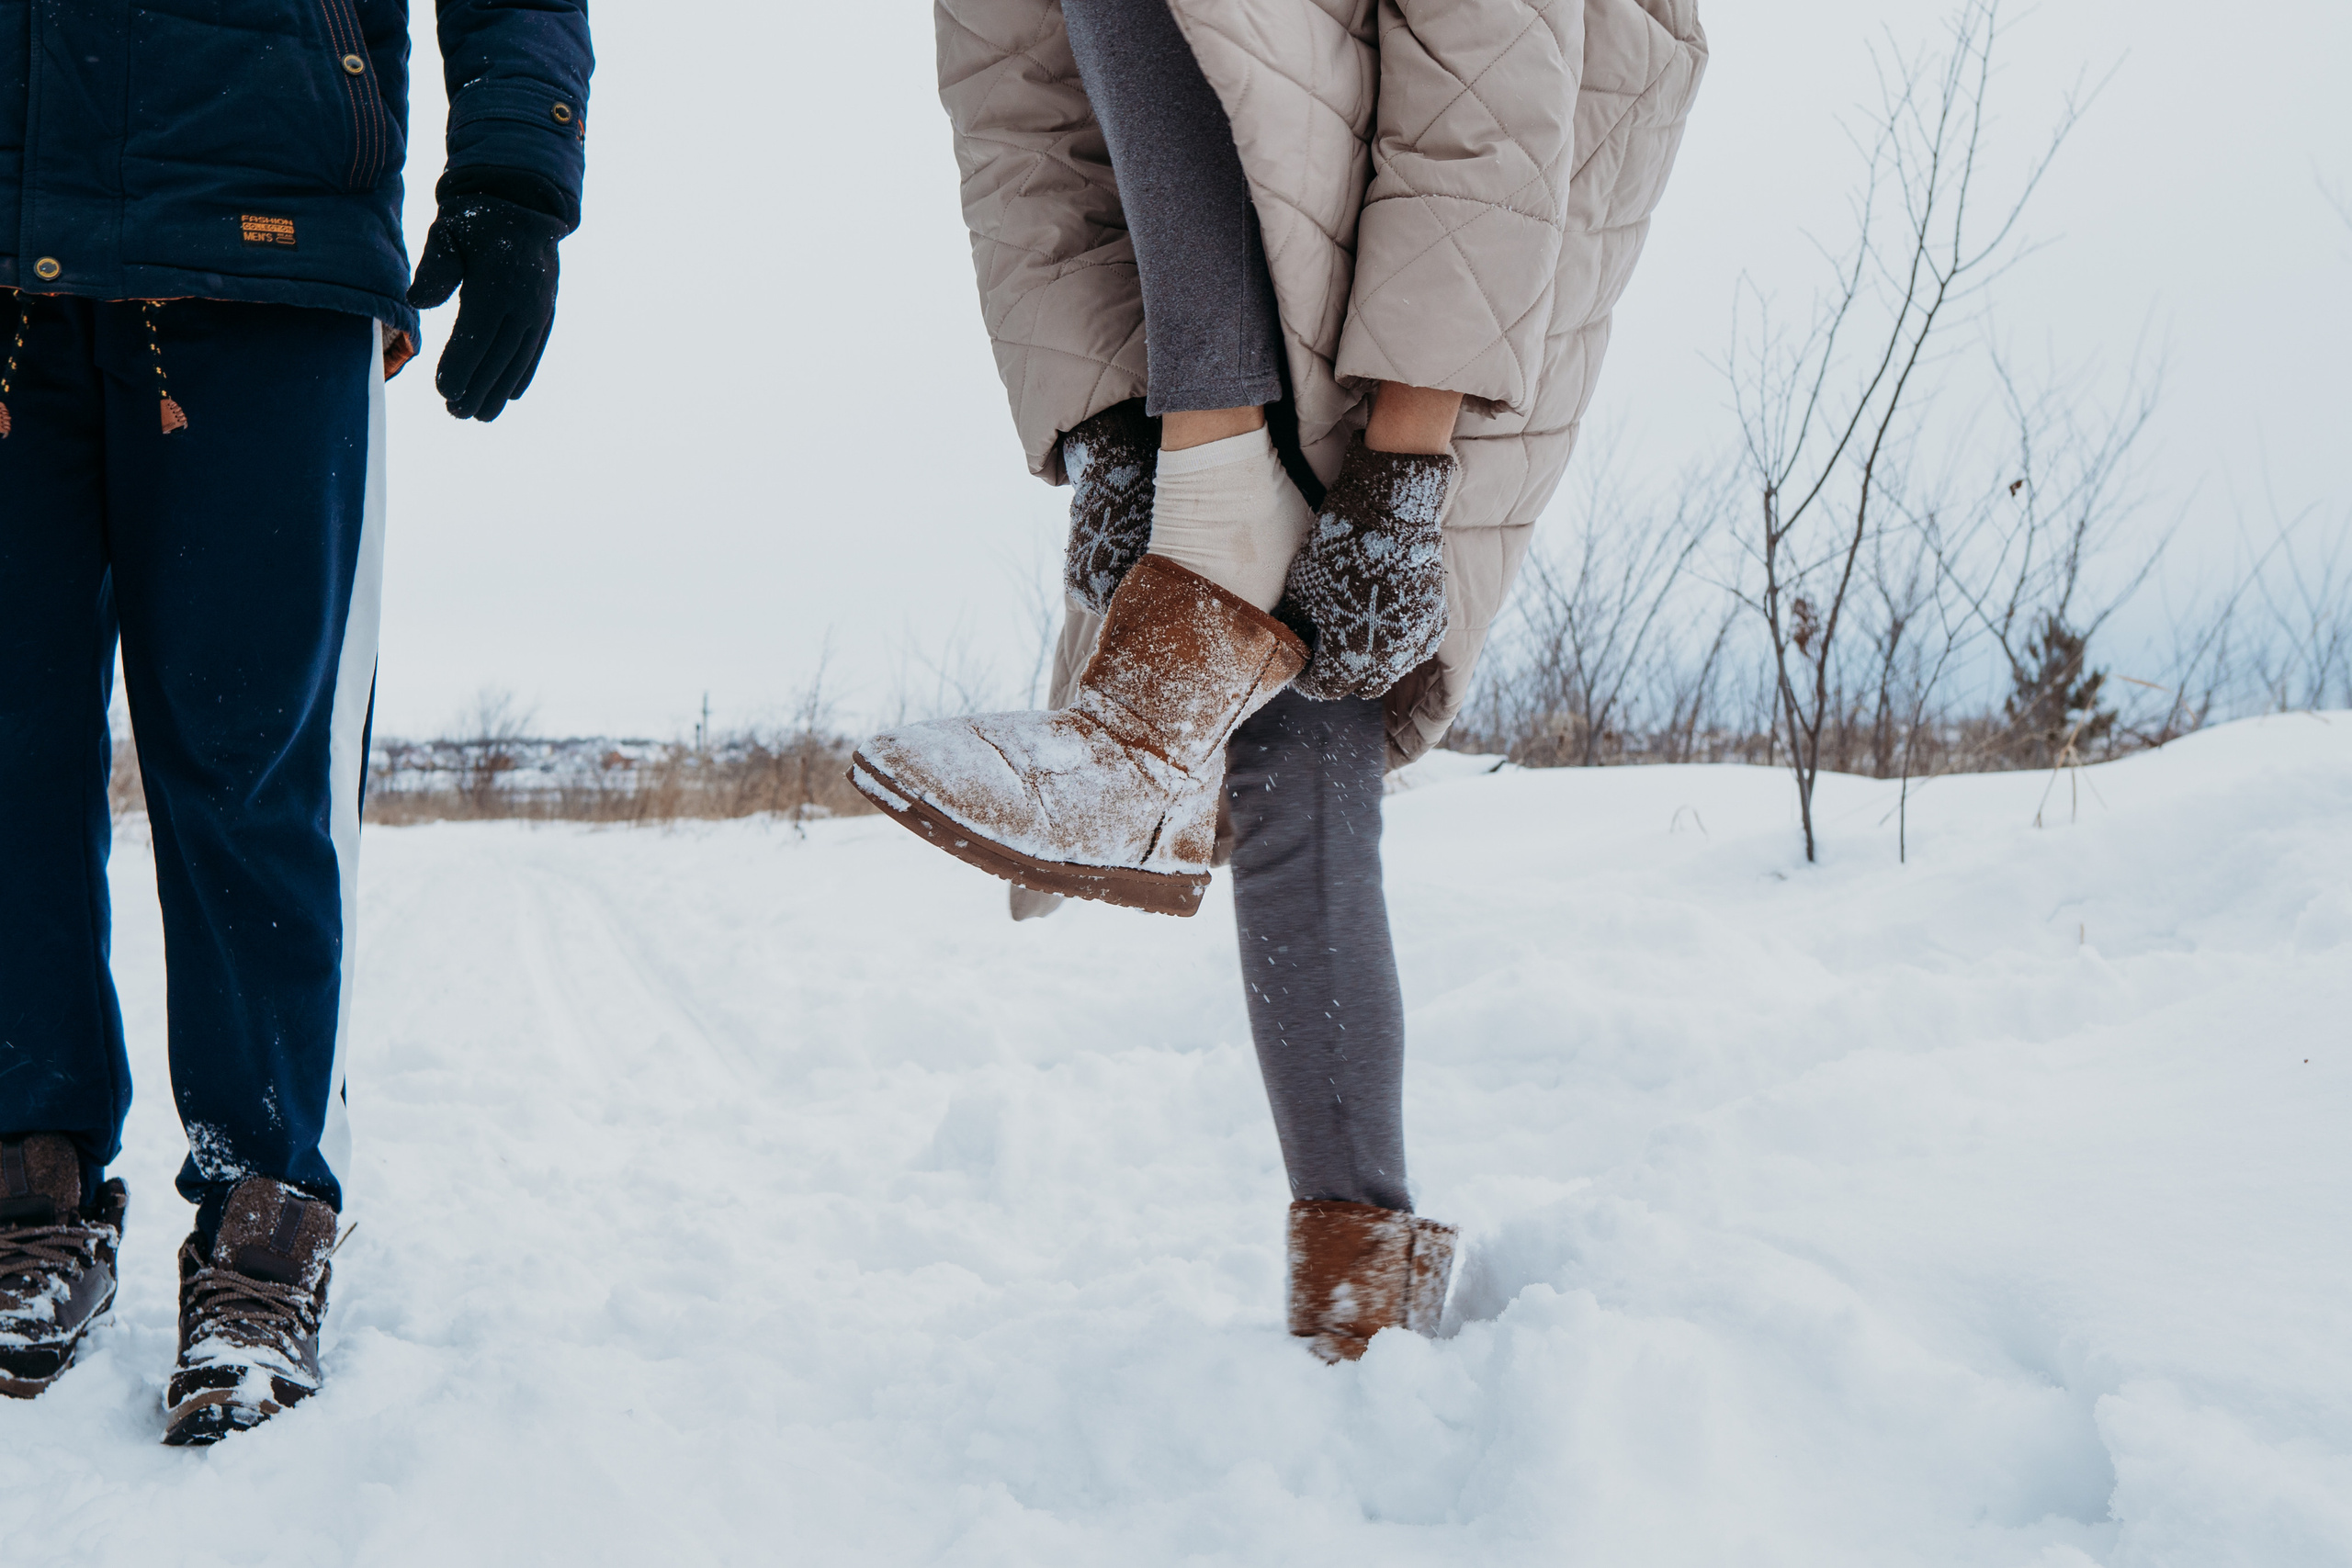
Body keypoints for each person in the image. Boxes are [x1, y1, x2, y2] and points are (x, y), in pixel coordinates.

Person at [862, 0, 1706, 1359]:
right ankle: (1357, 1298)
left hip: (1483, 201)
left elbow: (1491, 82)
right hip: (1255, 230)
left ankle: (1176, 651)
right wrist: (1104, 432)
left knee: (1311, 693)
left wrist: (1410, 462)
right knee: (1290, 739)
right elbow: (1023, 128)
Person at [0, 1, 591, 1442]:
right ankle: (29, 1175)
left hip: (262, 232)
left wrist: (517, 173)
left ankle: (265, 1205)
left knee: (252, 763)